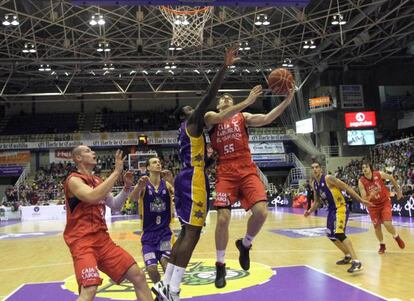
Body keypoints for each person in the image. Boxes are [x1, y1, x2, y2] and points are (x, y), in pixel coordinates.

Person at [153, 45, 240, 301]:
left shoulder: (191, 134)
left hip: (188, 177)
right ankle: (175, 289)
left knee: (185, 233)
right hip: (193, 180)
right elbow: (211, 94)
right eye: (192, 109)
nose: (197, 110)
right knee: (193, 233)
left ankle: (165, 284)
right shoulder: (192, 123)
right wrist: (224, 67)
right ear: (186, 115)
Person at [205, 86, 295, 288]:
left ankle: (245, 244)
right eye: (223, 99)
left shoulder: (243, 117)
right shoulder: (210, 117)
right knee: (222, 219)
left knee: (262, 213)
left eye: (229, 97)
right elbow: (220, 117)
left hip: (246, 168)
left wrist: (287, 101)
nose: (226, 100)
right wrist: (246, 101)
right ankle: (220, 265)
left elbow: (268, 118)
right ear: (218, 104)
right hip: (225, 171)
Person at [63, 146, 153, 301]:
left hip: (103, 241)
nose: (93, 153)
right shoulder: (73, 180)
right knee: (89, 289)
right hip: (82, 242)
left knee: (138, 276)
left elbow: (115, 205)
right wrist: (116, 172)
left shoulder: (98, 180)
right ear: (78, 158)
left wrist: (126, 188)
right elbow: (92, 196)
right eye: (88, 151)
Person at [305, 160, 372, 273]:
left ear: (321, 169)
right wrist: (310, 211)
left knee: (339, 233)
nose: (315, 169)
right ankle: (347, 255)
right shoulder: (314, 183)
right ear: (311, 170)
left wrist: (361, 200)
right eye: (313, 168)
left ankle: (357, 262)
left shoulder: (328, 178)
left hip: (340, 208)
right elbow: (317, 201)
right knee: (330, 235)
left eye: (317, 167)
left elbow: (346, 187)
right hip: (331, 210)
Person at [129, 157, 175, 284]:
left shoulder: (167, 185)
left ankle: (168, 293)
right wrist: (138, 186)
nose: (158, 164)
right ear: (148, 168)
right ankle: (160, 291)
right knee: (151, 269)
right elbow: (132, 198)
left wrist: (172, 181)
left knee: (167, 265)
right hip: (148, 236)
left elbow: (180, 195)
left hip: (164, 234)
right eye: (154, 162)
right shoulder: (144, 185)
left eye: (159, 162)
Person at [358, 160, 405, 254]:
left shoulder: (378, 174)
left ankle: (396, 236)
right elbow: (364, 199)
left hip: (384, 202)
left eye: (366, 167)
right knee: (377, 227)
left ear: (370, 167)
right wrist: (372, 194)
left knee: (387, 223)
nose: (364, 169)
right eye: (363, 168)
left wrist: (398, 191)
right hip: (373, 206)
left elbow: (391, 178)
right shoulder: (361, 181)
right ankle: (382, 245)